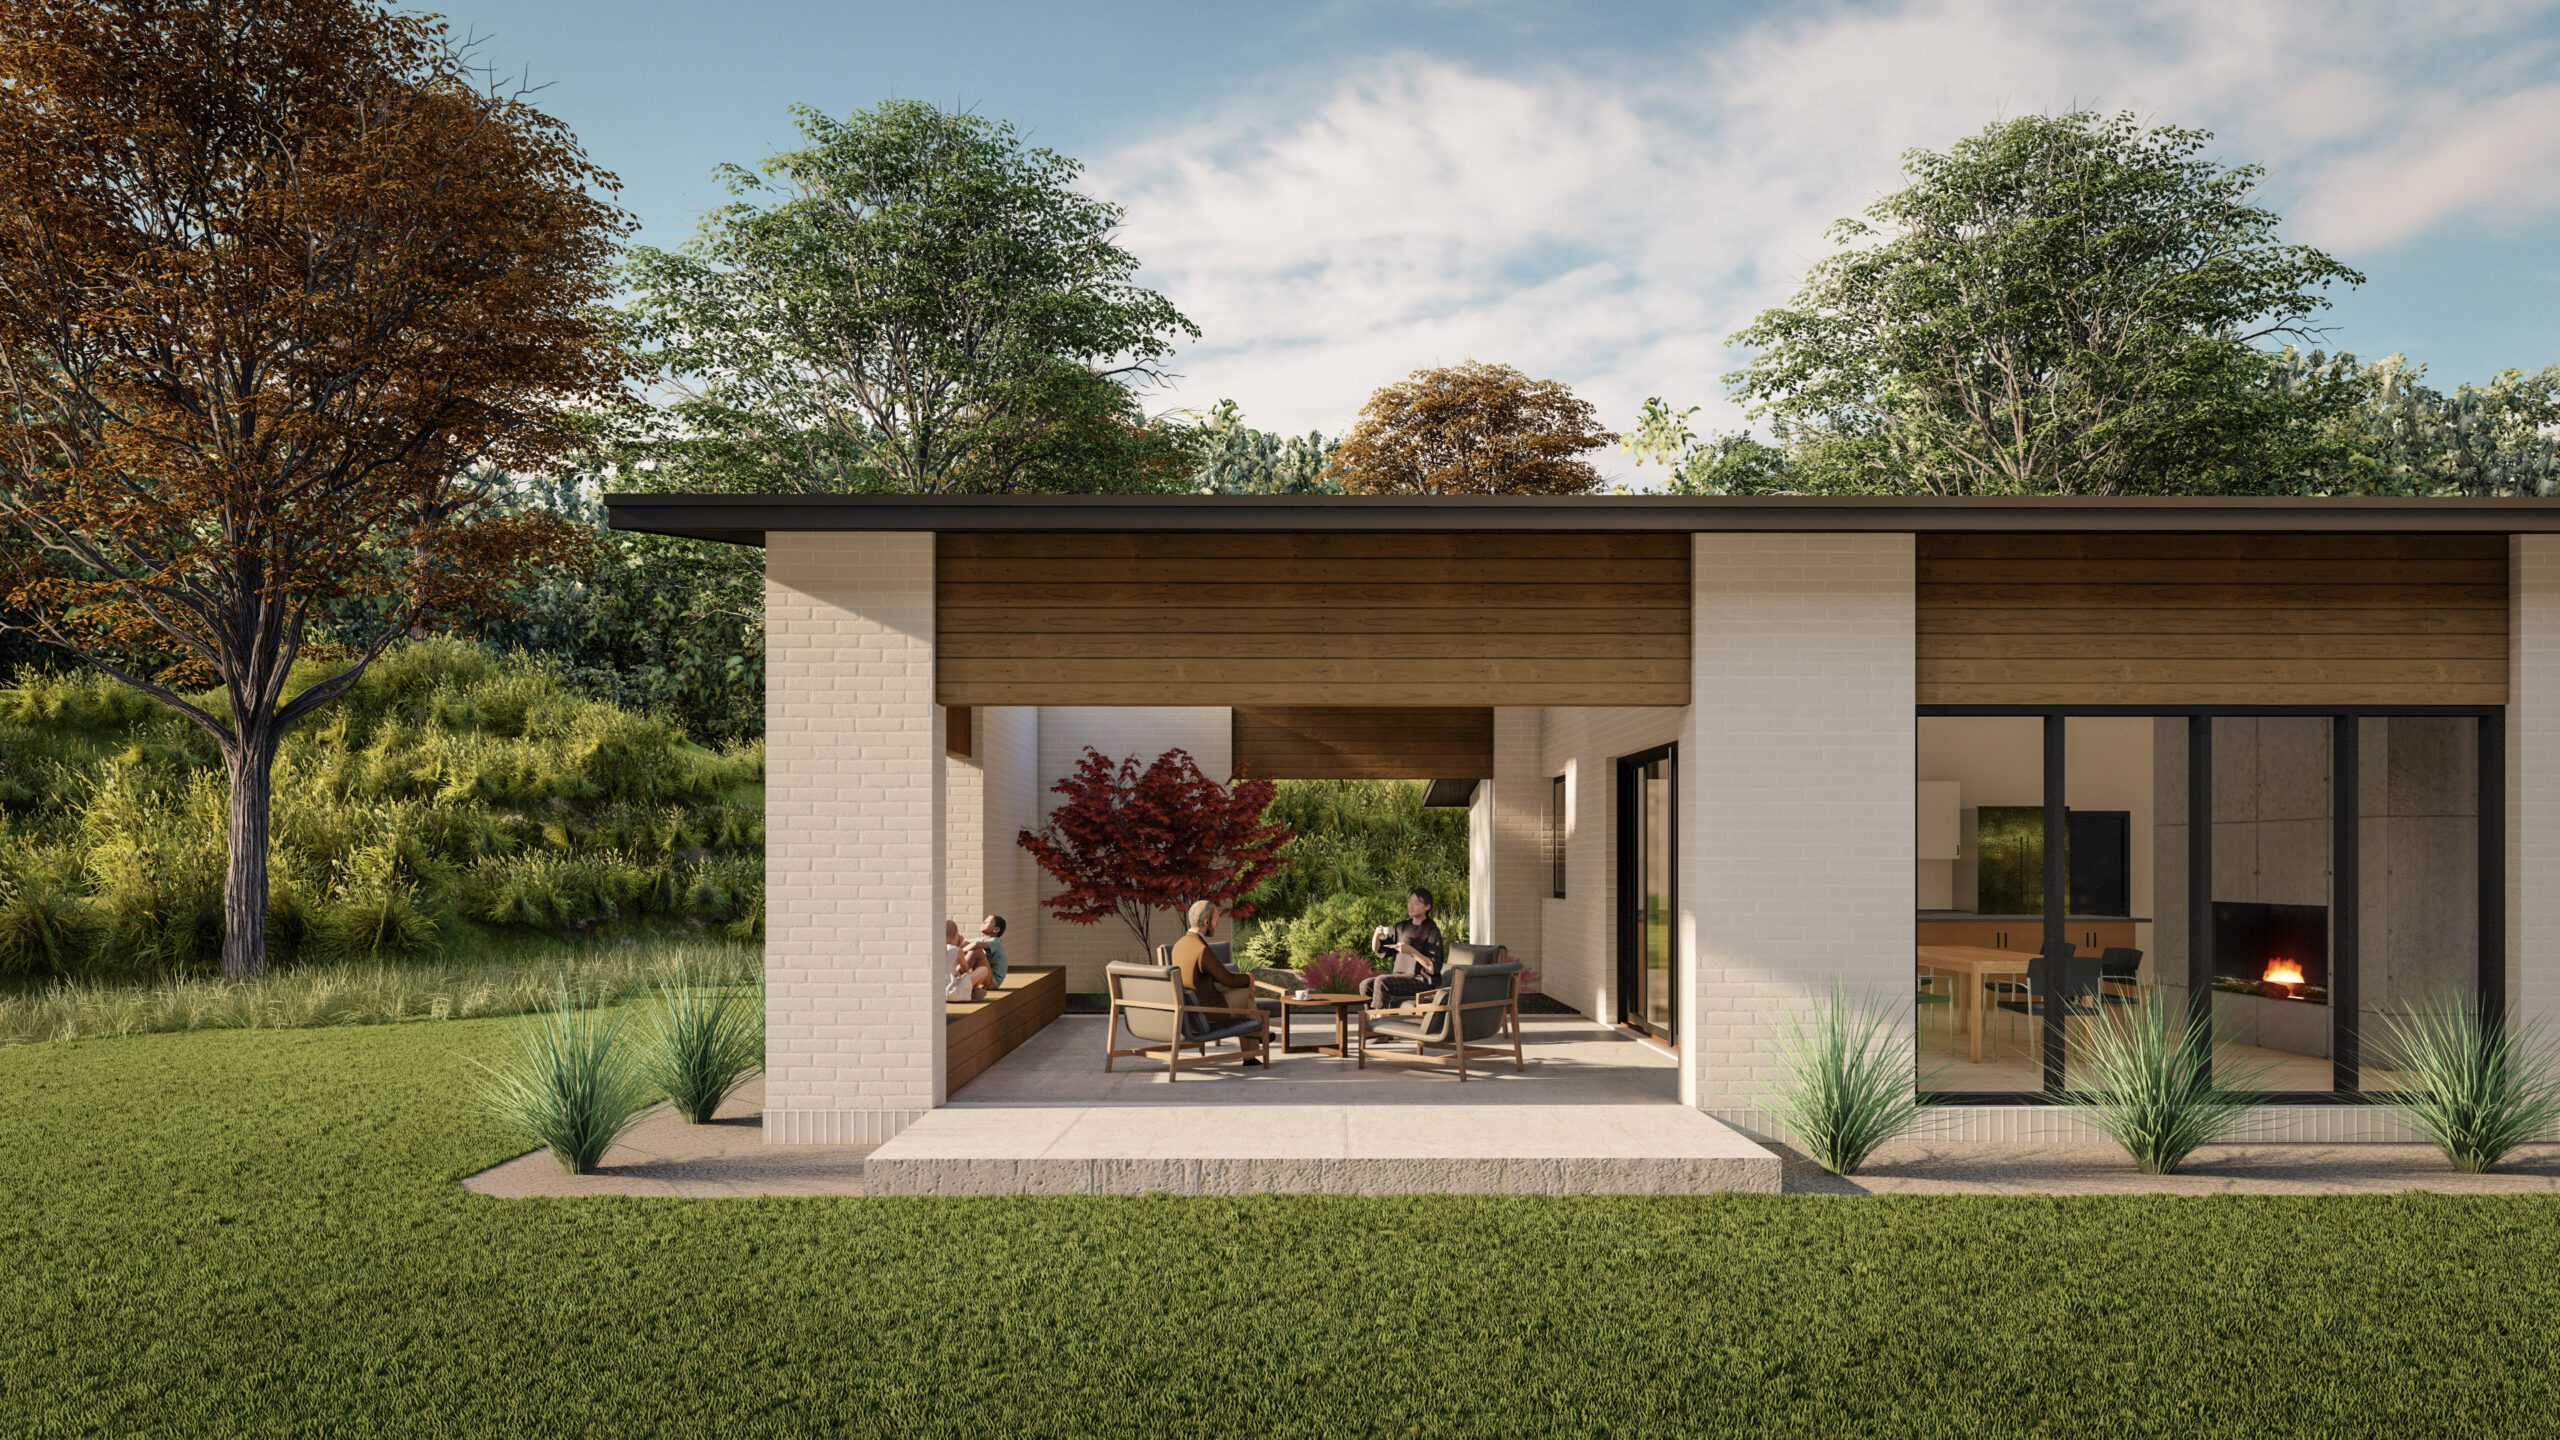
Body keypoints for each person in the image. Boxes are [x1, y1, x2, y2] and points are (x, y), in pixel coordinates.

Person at [1168, 900, 1267, 1066]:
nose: (1217, 924)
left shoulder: (1179, 945)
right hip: (1207, 1011)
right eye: (1216, 920)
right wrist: (1248, 978)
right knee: (1246, 993)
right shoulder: (1202, 950)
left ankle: (1255, 1041)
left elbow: (1211, 977)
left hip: (1189, 1009)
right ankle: (1256, 1037)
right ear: (1206, 922)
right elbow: (1226, 979)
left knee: (1244, 997)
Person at [1360, 887, 1447, 1013]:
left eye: (1416, 903)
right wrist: (1376, 936)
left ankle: (1380, 1021)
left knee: (1382, 981)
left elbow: (1433, 967)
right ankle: (1370, 1019)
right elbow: (1378, 949)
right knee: (1365, 984)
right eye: (1409, 901)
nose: (1411, 906)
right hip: (1400, 977)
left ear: (1427, 907)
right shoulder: (1401, 926)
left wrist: (1411, 951)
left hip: (1421, 980)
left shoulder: (1432, 930)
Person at [945, 918, 992, 1001]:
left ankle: (971, 991)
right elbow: (965, 969)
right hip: (953, 991)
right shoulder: (957, 950)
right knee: (984, 970)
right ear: (956, 935)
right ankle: (972, 990)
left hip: (939, 993)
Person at [962, 914, 1009, 987]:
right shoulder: (982, 940)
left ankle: (956, 973)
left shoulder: (996, 942)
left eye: (986, 922)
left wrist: (960, 951)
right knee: (966, 945)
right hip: (985, 975)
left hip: (992, 981)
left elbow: (976, 944)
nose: (983, 923)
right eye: (984, 921)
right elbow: (966, 942)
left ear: (996, 929)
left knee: (976, 951)